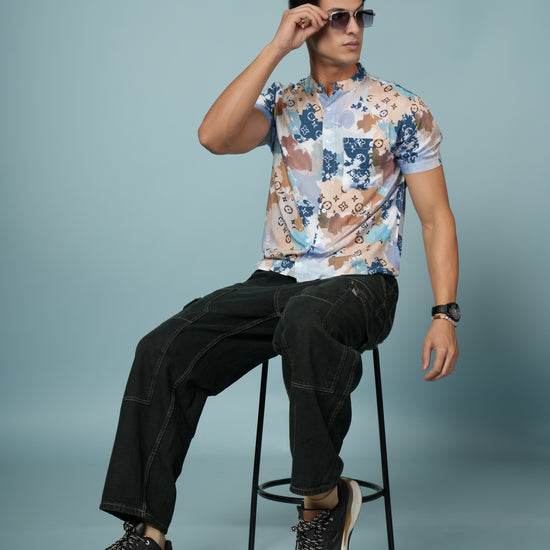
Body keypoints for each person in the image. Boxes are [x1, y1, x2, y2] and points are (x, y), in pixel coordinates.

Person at [100, 1, 460, 549]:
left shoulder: (401, 108)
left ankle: (323, 504)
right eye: (337, 16)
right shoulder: (281, 102)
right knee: (163, 347)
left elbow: (436, 218)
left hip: (362, 282)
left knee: (307, 320)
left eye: (360, 15)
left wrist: (444, 313)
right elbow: (214, 136)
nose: (353, 28)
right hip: (278, 280)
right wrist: (277, 48)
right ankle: (147, 533)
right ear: (306, 22)